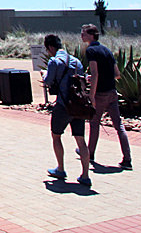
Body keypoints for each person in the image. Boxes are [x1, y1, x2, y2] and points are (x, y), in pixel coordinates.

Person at [81, 23, 132, 169]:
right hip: (112, 92)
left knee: (94, 124)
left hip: (100, 93)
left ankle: (90, 154)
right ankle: (127, 158)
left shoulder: (91, 50)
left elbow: (95, 73)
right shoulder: (107, 50)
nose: (82, 36)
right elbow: (117, 74)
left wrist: (91, 95)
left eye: (84, 33)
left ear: (91, 35)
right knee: (119, 126)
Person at [43, 34, 91, 186]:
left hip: (63, 104)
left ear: (51, 47)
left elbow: (49, 81)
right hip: (78, 105)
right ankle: (85, 175)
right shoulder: (76, 62)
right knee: (80, 140)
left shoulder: (54, 61)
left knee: (56, 135)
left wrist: (44, 76)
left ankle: (61, 168)